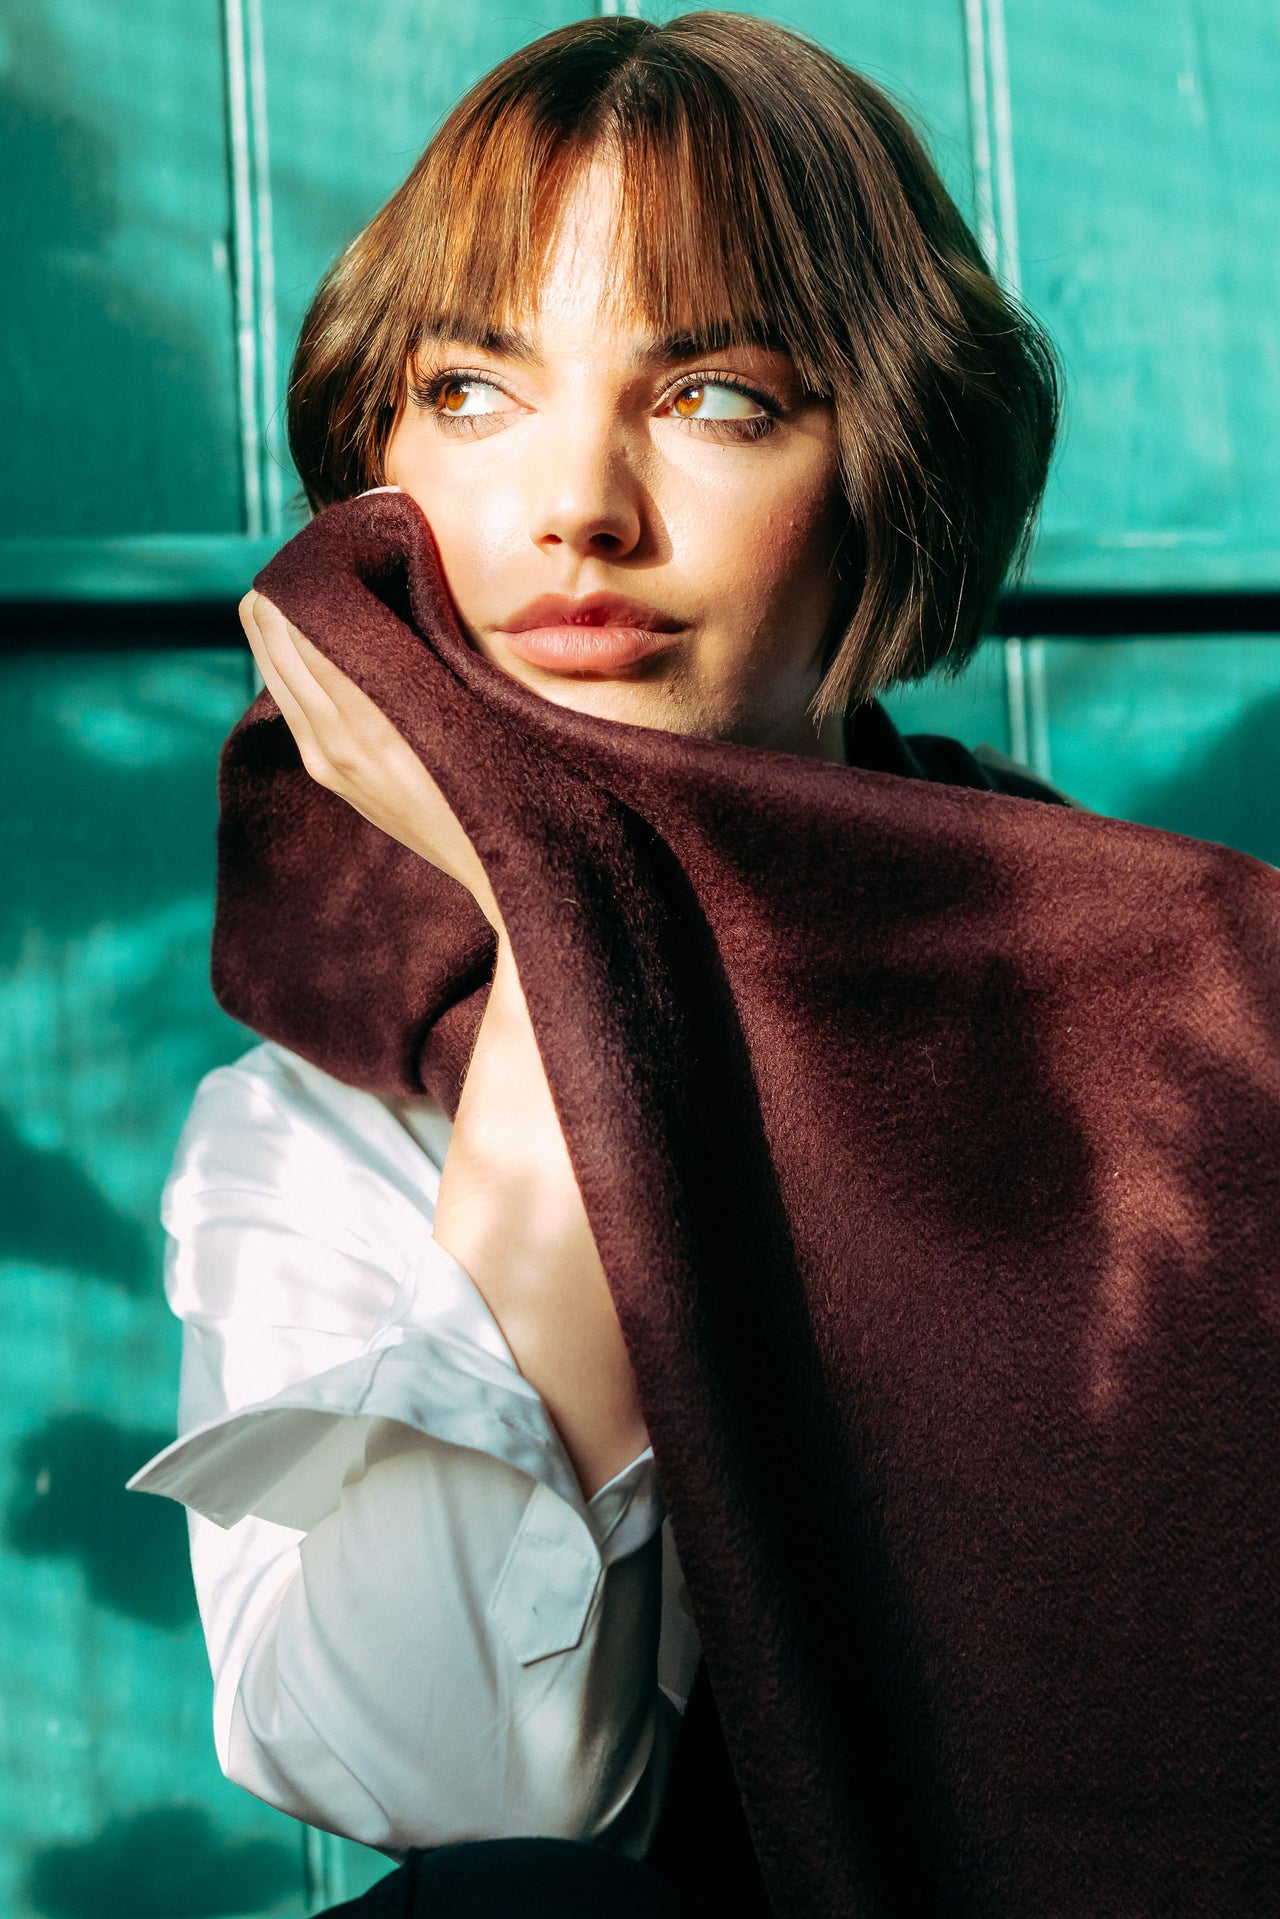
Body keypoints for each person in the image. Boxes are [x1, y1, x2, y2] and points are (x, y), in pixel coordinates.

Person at [130, 14, 1061, 1914]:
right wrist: (558, 912)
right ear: (376, 488)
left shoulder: (1166, 1017)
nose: (577, 508)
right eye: (473, 393)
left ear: (888, 469)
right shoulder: (318, 1114)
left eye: (713, 397)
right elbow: (460, 1786)